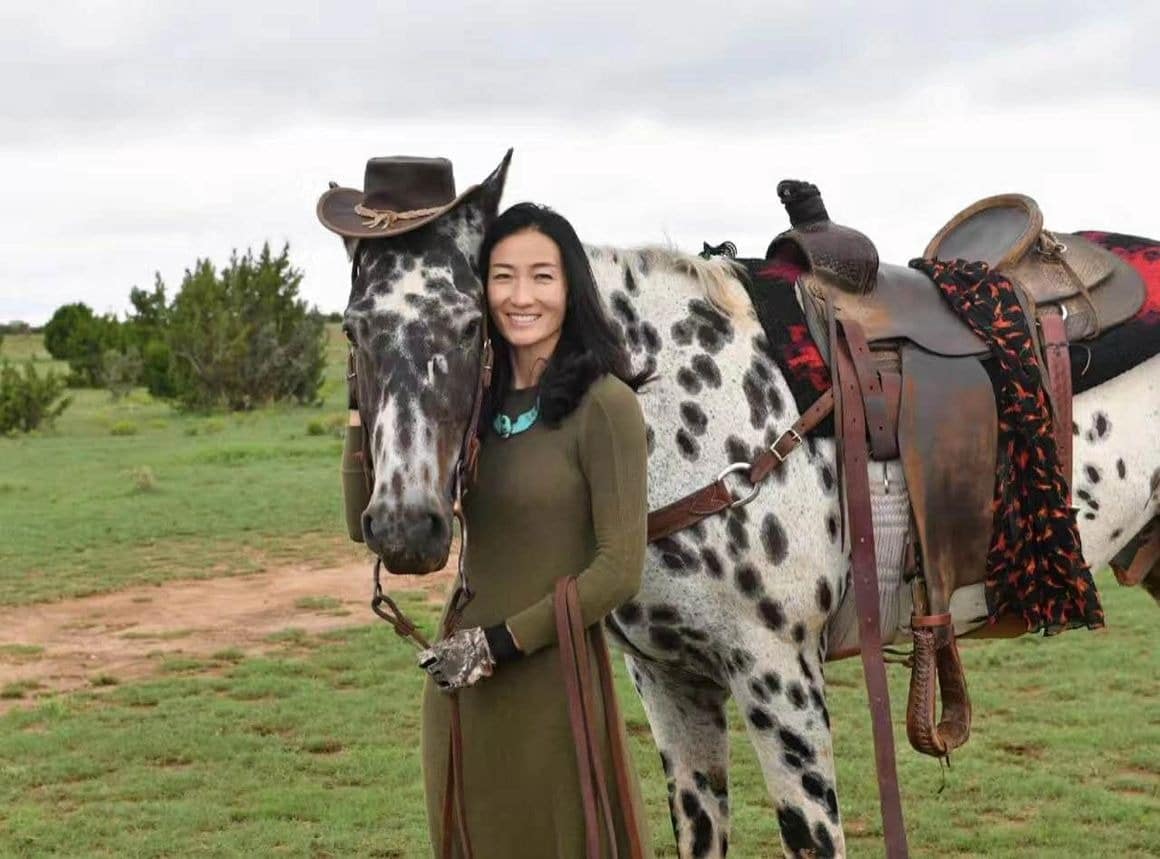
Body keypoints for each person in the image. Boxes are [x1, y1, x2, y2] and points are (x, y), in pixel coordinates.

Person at [416, 202, 654, 857]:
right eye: (503, 276)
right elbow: (369, 528)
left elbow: (617, 570)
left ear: (571, 286)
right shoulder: (470, 406)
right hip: (458, 685)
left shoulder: (605, 406)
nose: (521, 296)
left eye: (542, 276)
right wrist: (362, 394)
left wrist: (496, 645)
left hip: (552, 687)